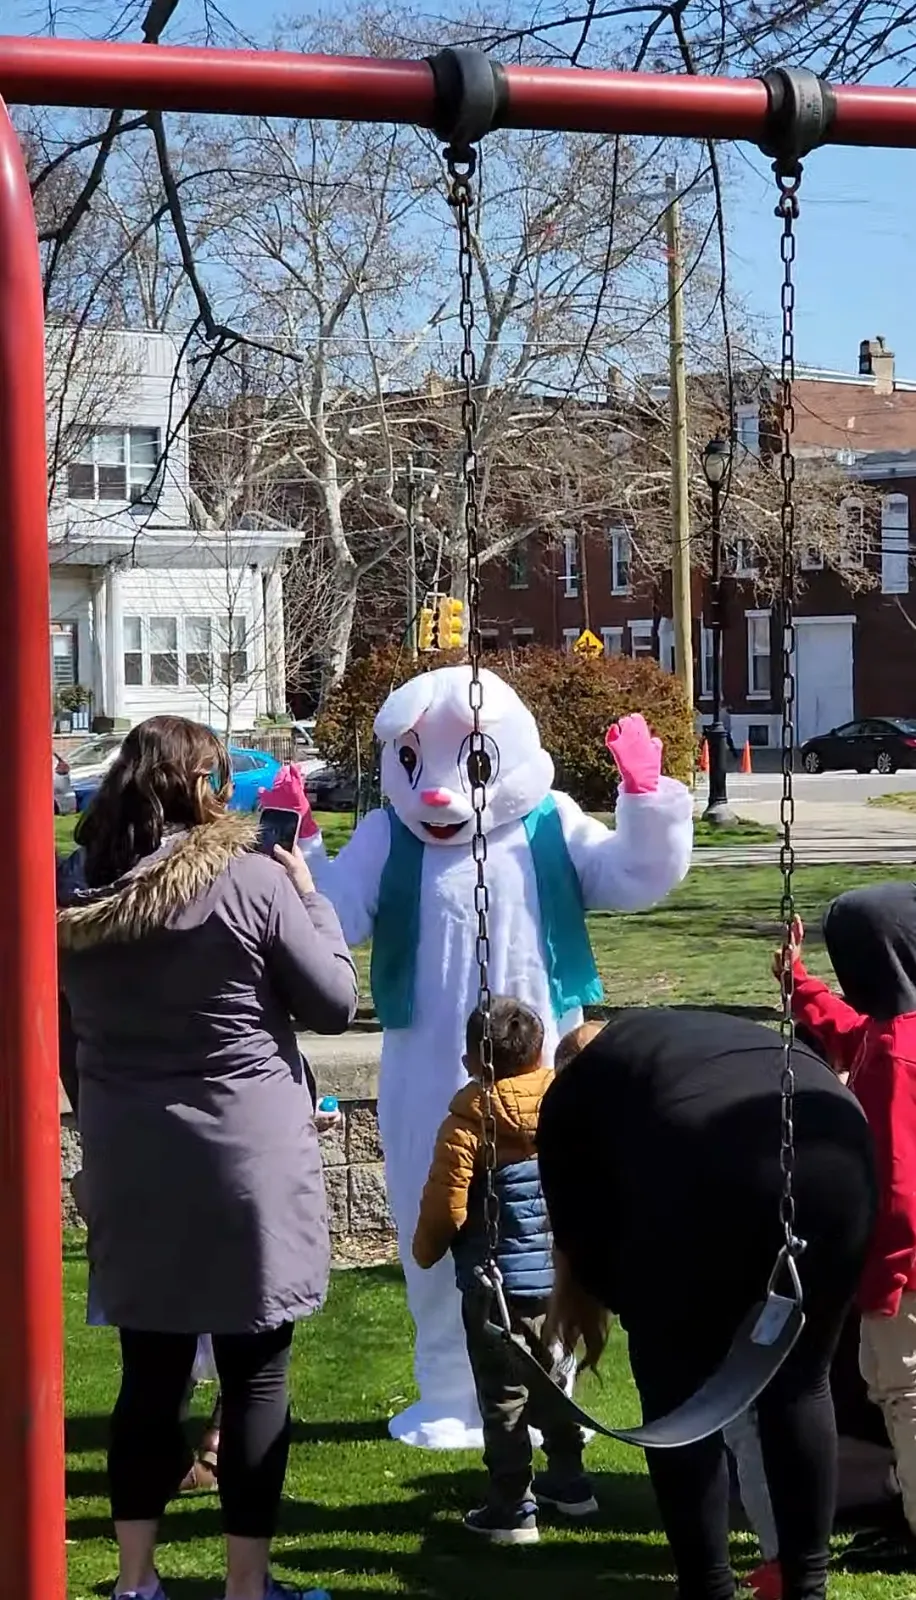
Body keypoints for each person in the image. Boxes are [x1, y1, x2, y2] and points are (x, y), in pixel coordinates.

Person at [57, 715, 357, 1600]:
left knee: (148, 1372)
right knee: (256, 1370)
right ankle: (244, 1585)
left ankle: (136, 1579)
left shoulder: (75, 891)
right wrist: (309, 892)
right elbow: (334, 1000)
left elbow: (69, 1042)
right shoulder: (256, 879)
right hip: (245, 1157)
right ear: (204, 788)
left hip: (131, 1155)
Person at [536, 1008, 877, 1600]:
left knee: (678, 1391)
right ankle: (807, 1587)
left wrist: (648, 1309)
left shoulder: (573, 1099)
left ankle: (707, 1587)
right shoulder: (672, 1045)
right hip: (836, 1135)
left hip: (709, 1148)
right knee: (801, 1381)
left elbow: (580, 1240)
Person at [412, 997, 595, 1545]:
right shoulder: (564, 1107)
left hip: (495, 1288)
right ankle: (570, 1480)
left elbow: (446, 1208)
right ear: (540, 1053)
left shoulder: (466, 1125)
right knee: (556, 1381)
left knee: (503, 1393)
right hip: (556, 1280)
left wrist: (425, 1251)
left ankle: (513, 1505)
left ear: (473, 1063)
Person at [779, 887, 916, 1568]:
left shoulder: (894, 1053)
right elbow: (843, 1030)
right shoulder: (888, 1035)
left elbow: (898, 1185)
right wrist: (797, 982)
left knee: (905, 1396)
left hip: (907, 1271)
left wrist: (884, 1275)